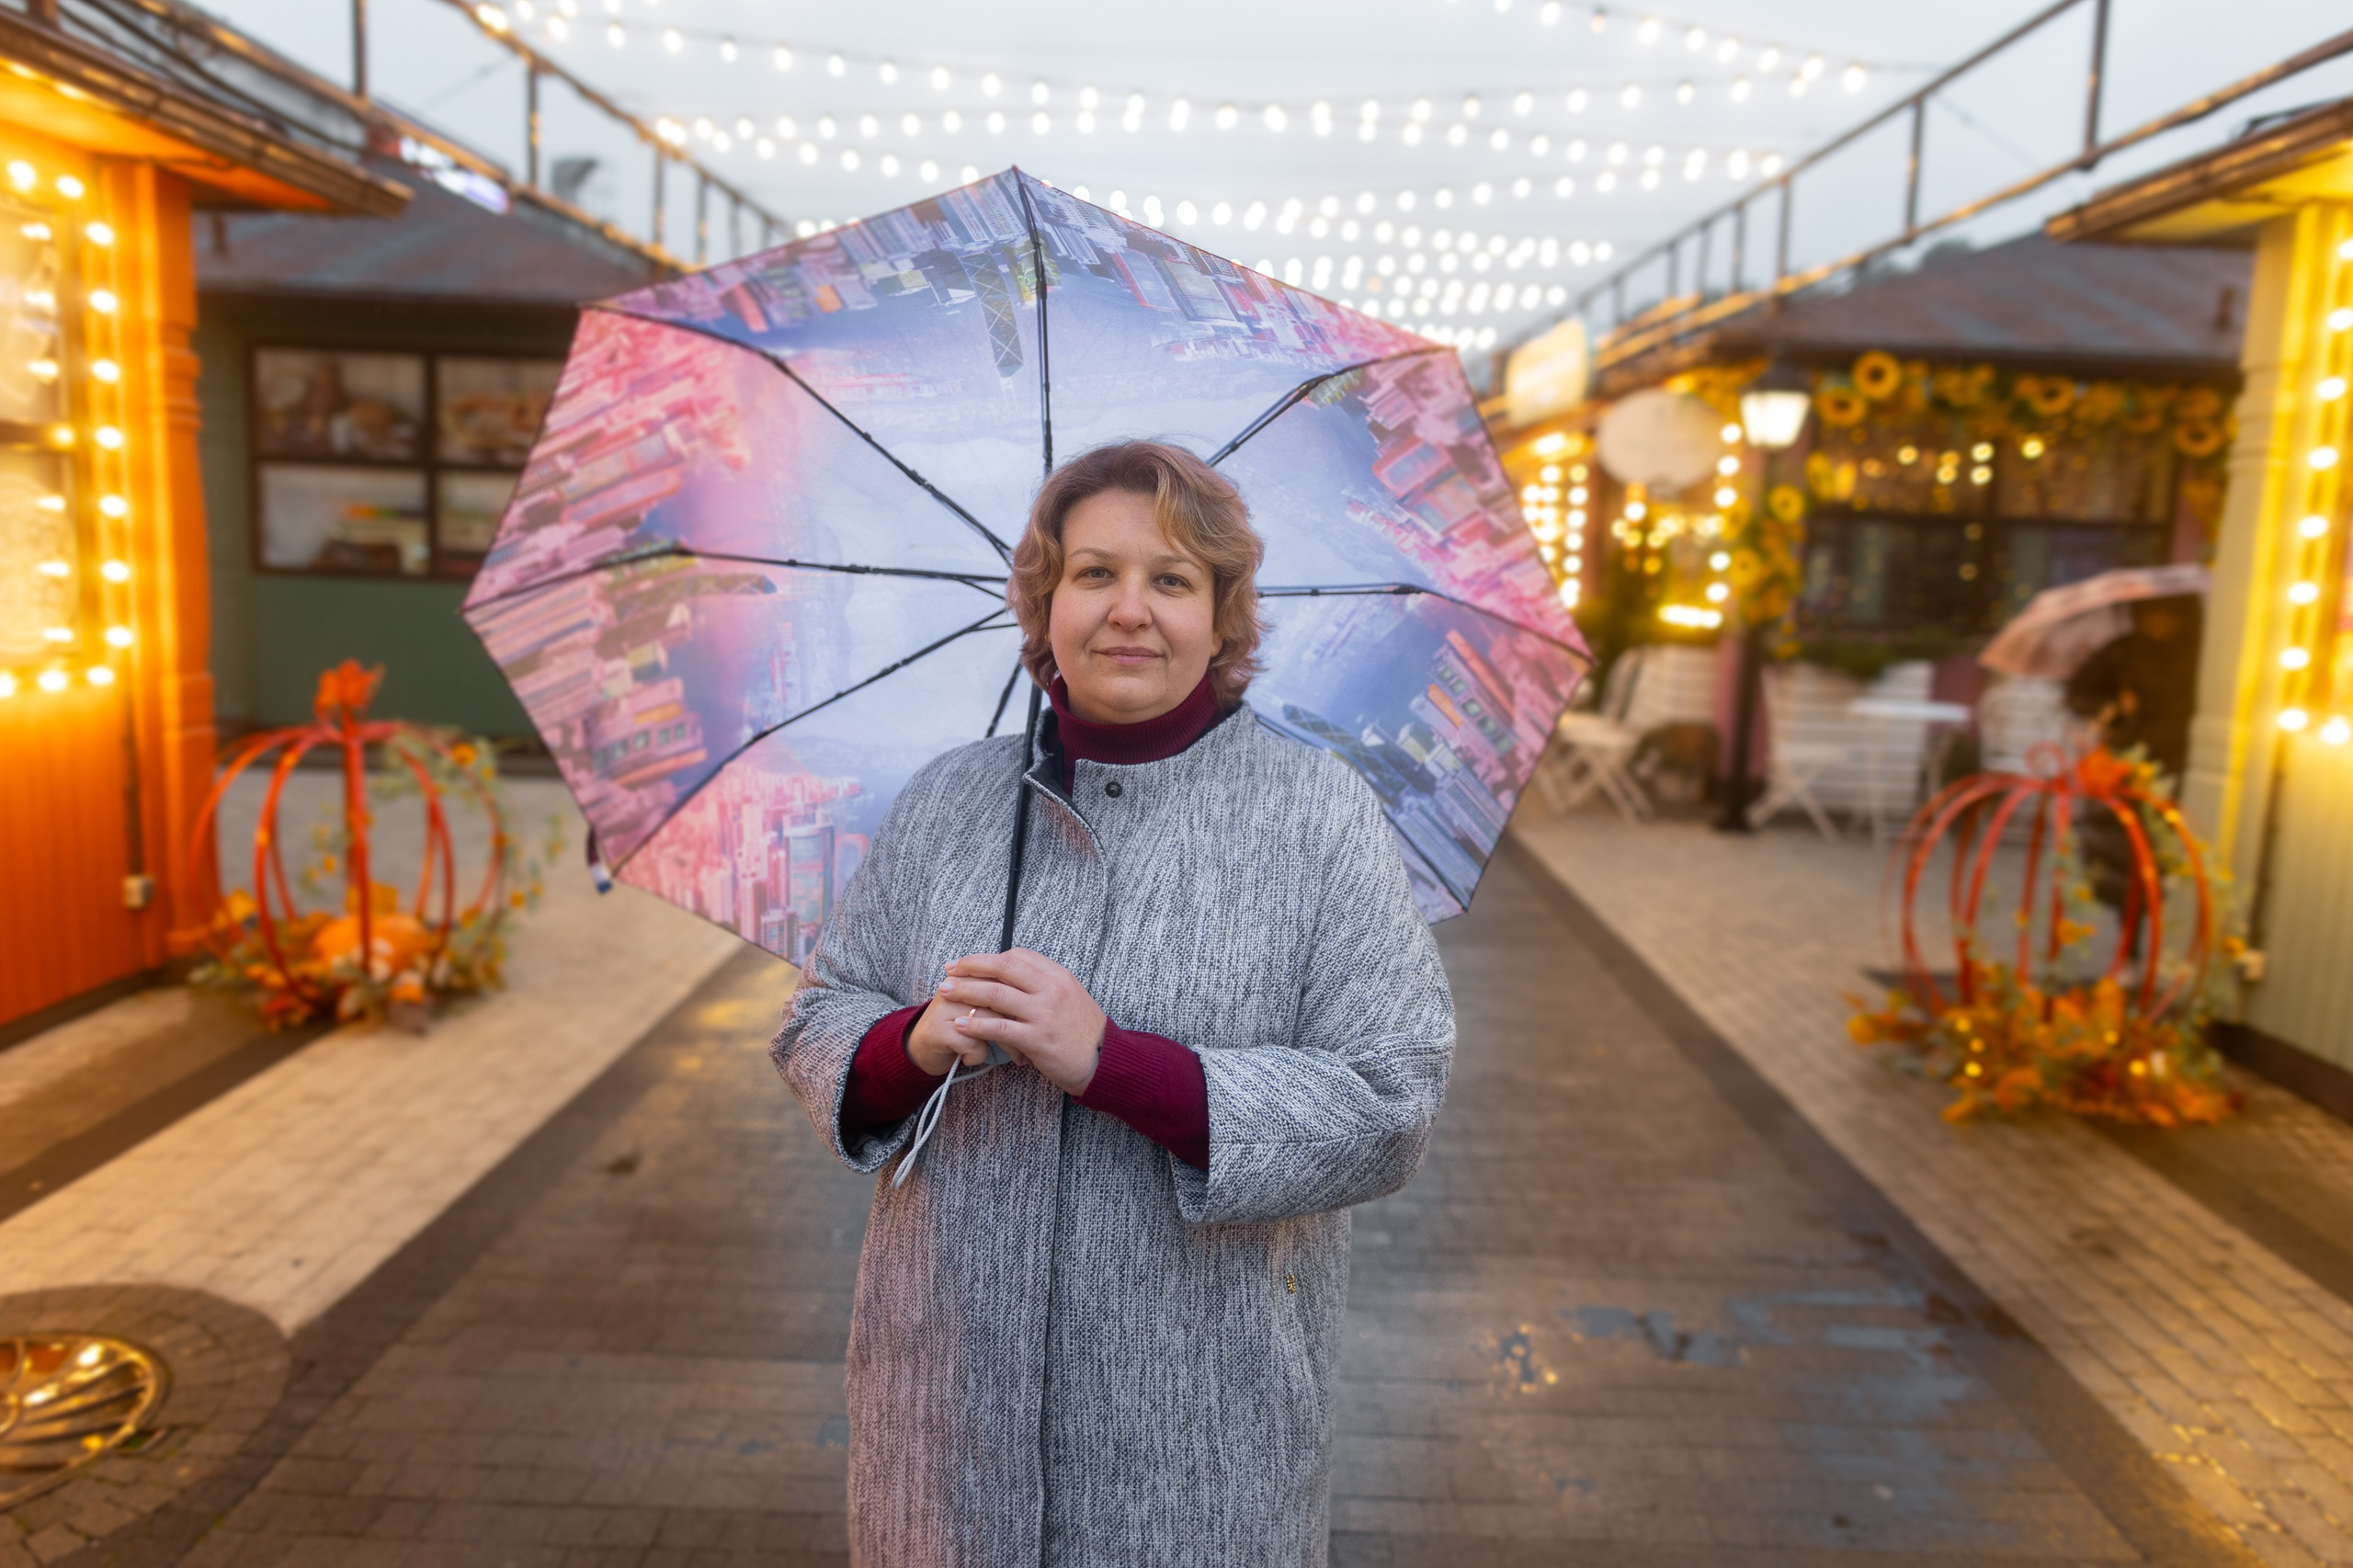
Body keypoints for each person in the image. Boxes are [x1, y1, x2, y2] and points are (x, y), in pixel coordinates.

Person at [770, 439, 1456, 1567]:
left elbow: (1391, 1098)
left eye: (1172, 579)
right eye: (1092, 574)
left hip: (1198, 1439)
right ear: (1043, 604)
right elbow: (815, 1016)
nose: (1128, 610)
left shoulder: (1314, 816)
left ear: (1224, 618)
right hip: (944, 1419)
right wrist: (912, 1041)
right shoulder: (953, 799)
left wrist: (1116, 1062)